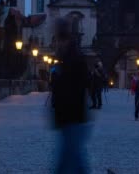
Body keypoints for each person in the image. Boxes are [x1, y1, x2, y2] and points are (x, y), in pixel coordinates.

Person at [51, 18, 90, 174]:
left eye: (55, 39)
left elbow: (71, 88)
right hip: (73, 116)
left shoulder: (71, 57)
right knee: (73, 159)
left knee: (68, 159)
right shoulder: (72, 55)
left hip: (71, 115)